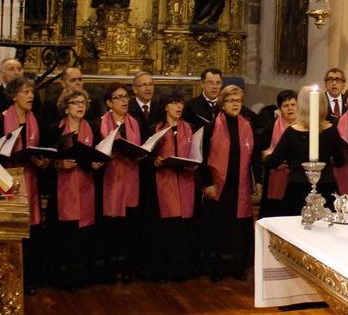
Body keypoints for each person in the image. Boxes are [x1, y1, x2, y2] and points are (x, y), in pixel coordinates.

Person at [0, 77, 51, 293]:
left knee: (31, 229)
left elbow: (42, 147)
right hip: (8, 179)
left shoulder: (35, 119)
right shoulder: (0, 119)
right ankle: (7, 278)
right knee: (11, 230)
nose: (30, 95)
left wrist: (43, 160)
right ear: (13, 96)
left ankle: (29, 279)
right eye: (25, 91)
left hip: (30, 177)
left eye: (32, 91)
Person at [47, 87, 100, 289]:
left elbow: (97, 154)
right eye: (75, 103)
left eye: (83, 103)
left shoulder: (92, 128)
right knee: (66, 233)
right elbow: (46, 159)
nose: (80, 106)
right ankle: (64, 277)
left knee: (84, 233)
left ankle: (82, 275)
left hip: (86, 184)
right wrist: (58, 165)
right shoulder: (55, 129)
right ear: (66, 108)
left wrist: (97, 163)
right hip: (63, 187)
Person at [200, 85, 255, 281]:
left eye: (238, 101)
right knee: (219, 227)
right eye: (231, 101)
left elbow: (252, 158)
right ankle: (217, 267)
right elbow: (203, 157)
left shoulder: (247, 125)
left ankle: (236, 266)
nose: (235, 104)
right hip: (218, 184)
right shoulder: (212, 126)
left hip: (240, 185)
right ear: (223, 104)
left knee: (237, 228)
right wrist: (207, 184)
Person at [264, 86, 345, 214]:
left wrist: (266, 155)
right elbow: (340, 161)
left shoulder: (292, 132)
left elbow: (273, 162)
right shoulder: (331, 130)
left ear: (300, 105)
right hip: (326, 185)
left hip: (298, 187)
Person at [150, 92, 198, 282]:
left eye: (180, 103)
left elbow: (196, 153)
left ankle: (181, 270)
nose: (178, 107)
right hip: (164, 184)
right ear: (165, 107)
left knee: (183, 229)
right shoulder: (155, 128)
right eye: (173, 103)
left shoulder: (191, 128)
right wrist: (155, 160)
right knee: (165, 229)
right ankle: (162, 270)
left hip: (185, 182)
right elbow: (146, 155)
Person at [97, 82, 142, 284]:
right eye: (119, 97)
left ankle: (126, 268)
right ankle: (109, 268)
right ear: (109, 102)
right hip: (109, 180)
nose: (124, 101)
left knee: (129, 227)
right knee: (111, 227)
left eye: (126, 97)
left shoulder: (134, 123)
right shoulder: (99, 123)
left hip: (131, 178)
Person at [259, 90, 298, 218]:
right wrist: (270, 158)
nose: (290, 108)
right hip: (275, 176)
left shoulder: (304, 126)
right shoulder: (272, 126)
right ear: (280, 109)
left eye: (293, 104)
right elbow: (261, 150)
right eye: (286, 106)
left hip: (296, 178)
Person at [128, 71, 159, 136]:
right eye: (144, 85)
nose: (148, 88)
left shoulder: (159, 107)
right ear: (135, 89)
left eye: (150, 84)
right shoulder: (128, 107)